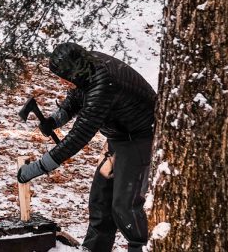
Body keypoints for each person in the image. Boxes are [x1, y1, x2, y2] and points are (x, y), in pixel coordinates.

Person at [15, 42, 157, 252]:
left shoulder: (104, 85)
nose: (62, 81)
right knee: (100, 201)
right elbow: (76, 95)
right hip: (118, 137)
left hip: (139, 139)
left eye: (64, 76)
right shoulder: (87, 67)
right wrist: (54, 120)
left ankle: (141, 248)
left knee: (125, 207)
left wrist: (39, 167)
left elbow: (79, 136)